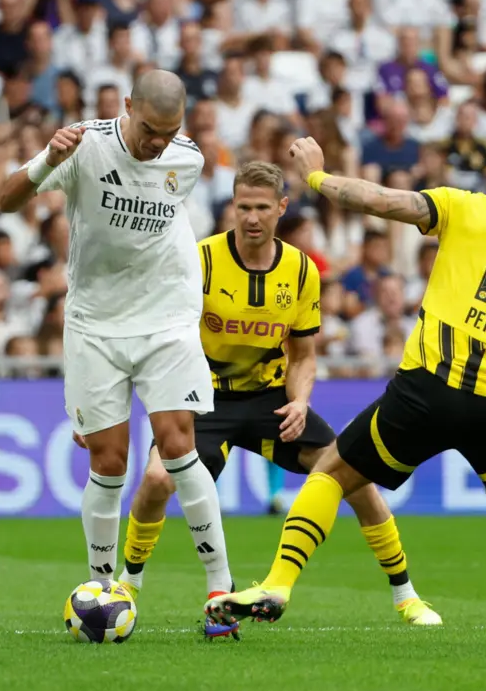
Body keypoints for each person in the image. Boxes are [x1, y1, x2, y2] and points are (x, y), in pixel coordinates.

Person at [206, 135, 486, 649]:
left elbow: (381, 200)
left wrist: (319, 177)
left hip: (429, 386)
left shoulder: (467, 206)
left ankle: (278, 584)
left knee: (334, 470)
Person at [118, 162, 440, 637]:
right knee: (154, 480)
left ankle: (405, 595)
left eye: (262, 208)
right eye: (243, 206)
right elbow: (167, 334)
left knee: (355, 477)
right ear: (232, 206)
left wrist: (299, 401)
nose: (251, 217)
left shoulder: (302, 269)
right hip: (204, 398)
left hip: (271, 398)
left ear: (281, 208)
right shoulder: (199, 259)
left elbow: (303, 355)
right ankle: (128, 584)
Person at [0, 70, 233, 610]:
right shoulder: (83, 146)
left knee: (178, 445)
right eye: (150, 129)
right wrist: (47, 160)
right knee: (108, 462)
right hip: (95, 323)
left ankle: (221, 586)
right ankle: (103, 589)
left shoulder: (188, 159)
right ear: (127, 106)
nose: (157, 143)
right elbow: (6, 199)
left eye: (168, 132)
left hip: (167, 318)